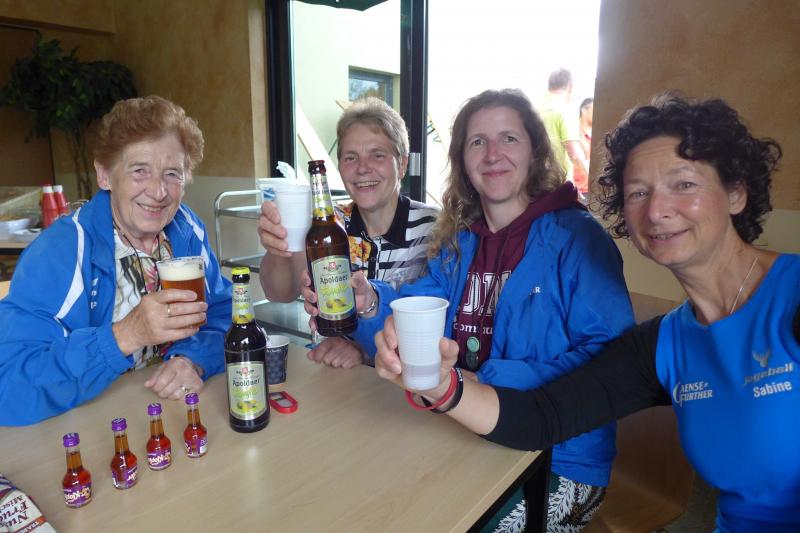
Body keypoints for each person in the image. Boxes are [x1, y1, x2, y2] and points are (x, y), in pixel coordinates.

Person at [374, 93, 800, 532]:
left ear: (736, 192)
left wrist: (480, 377)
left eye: (684, 184)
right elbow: (544, 417)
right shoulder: (666, 342)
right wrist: (443, 384)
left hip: (560, 467)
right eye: (639, 192)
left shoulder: (791, 300)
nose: (657, 210)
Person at [321, 89, 635, 531]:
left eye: (509, 138)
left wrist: (483, 381)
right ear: (463, 161)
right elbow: (414, 307)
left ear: (535, 152)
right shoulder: (459, 243)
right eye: (477, 142)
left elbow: (612, 365)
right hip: (460, 430)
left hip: (559, 458)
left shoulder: (579, 240)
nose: (492, 154)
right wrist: (369, 302)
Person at [0, 95, 232, 426]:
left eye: (172, 174)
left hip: (168, 416)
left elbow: (225, 313)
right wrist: (125, 335)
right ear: (105, 175)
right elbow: (9, 386)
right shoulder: (60, 250)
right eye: (140, 171)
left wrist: (192, 359)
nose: (159, 192)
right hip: (83, 429)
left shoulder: (185, 228)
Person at [258, 97, 437, 368]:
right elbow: (279, 293)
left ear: (401, 164)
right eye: (350, 157)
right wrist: (278, 247)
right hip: (333, 370)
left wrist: (361, 350)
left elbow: (434, 326)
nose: (362, 168)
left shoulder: (433, 228)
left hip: (402, 376)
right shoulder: (329, 224)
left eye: (377, 155)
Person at [540, 68, 589, 199]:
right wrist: (590, 174)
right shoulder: (564, 110)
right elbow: (574, 153)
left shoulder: (534, 108)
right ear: (570, 87)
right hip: (557, 185)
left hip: (534, 182)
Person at [572, 97, 594, 199]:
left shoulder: (597, 133)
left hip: (592, 189)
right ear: (584, 111)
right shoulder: (573, 133)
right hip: (578, 190)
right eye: (594, 109)